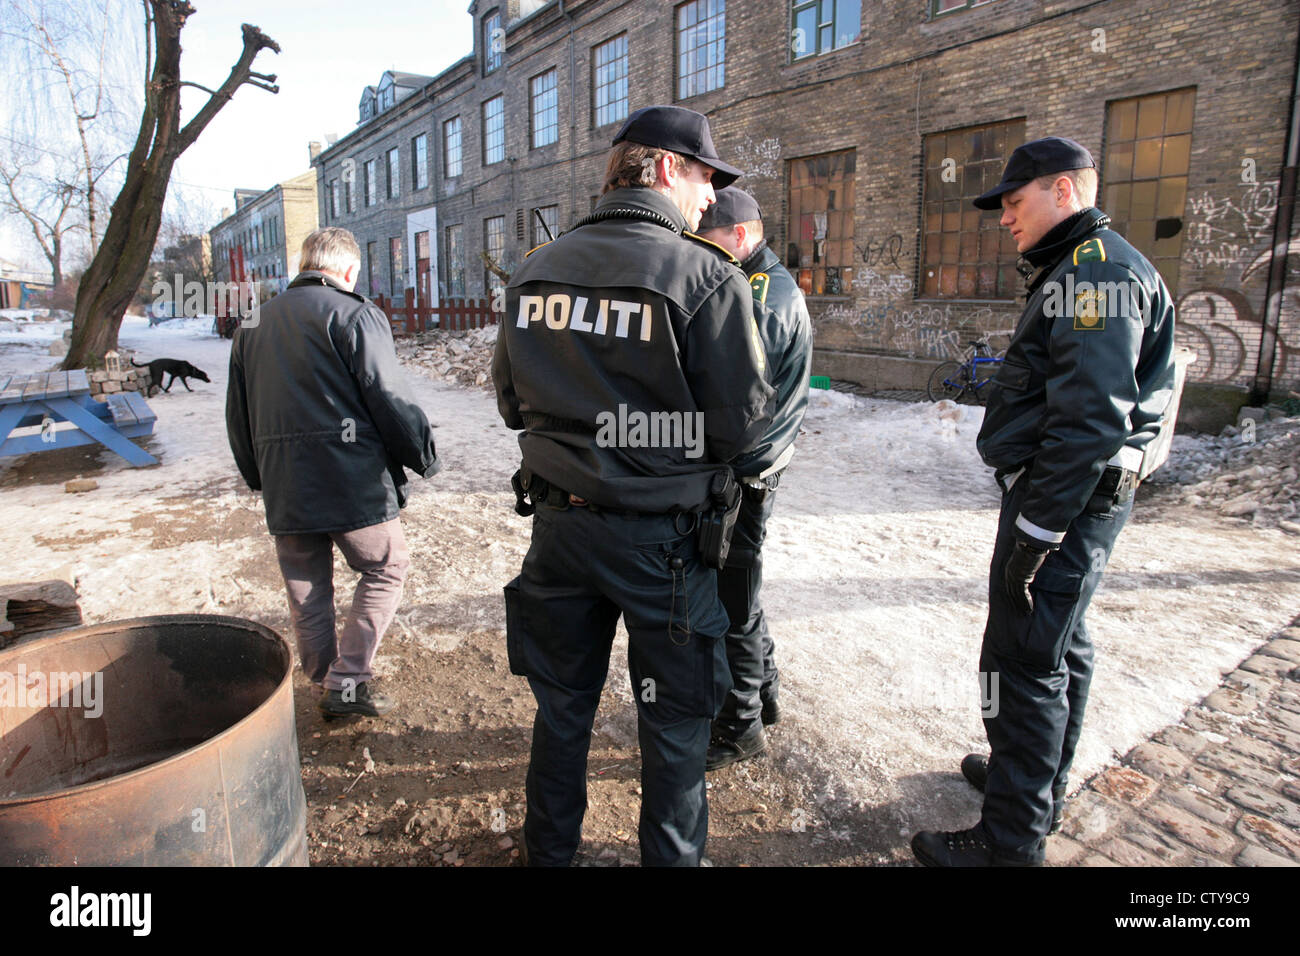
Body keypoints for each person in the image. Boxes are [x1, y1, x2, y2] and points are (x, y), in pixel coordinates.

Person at [492, 105, 774, 866]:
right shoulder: (705, 276)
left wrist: (592, 437)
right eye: (706, 177)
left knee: (562, 711)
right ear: (664, 169)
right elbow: (739, 429)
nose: (711, 197)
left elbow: (515, 404)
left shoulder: (535, 269)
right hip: (664, 551)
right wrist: (651, 439)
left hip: (560, 534)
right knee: (675, 726)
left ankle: (548, 855)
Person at [911, 137, 1177, 866]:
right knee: (1062, 644)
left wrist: (1036, 529)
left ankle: (1008, 839)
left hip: (1066, 502)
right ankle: (1035, 785)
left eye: (1014, 201)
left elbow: (1089, 418)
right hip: (1078, 498)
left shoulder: (1095, 273)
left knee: (1024, 658)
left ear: (1064, 191)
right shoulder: (1088, 265)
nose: (1004, 218)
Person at [226, 226, 439, 719]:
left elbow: (238, 414)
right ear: (347, 271)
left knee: (306, 585)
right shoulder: (356, 314)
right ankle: (347, 683)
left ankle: (326, 678)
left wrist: (259, 475)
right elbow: (388, 395)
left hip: (286, 482)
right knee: (386, 568)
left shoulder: (253, 325)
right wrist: (422, 453)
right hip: (353, 482)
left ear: (305, 264)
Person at [694, 186, 813, 770]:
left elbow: (736, 398)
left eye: (709, 241)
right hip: (759, 467)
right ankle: (762, 694)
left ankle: (738, 725)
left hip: (745, 474)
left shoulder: (756, 295)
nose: (703, 255)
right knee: (744, 589)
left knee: (731, 603)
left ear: (741, 235)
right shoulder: (766, 282)